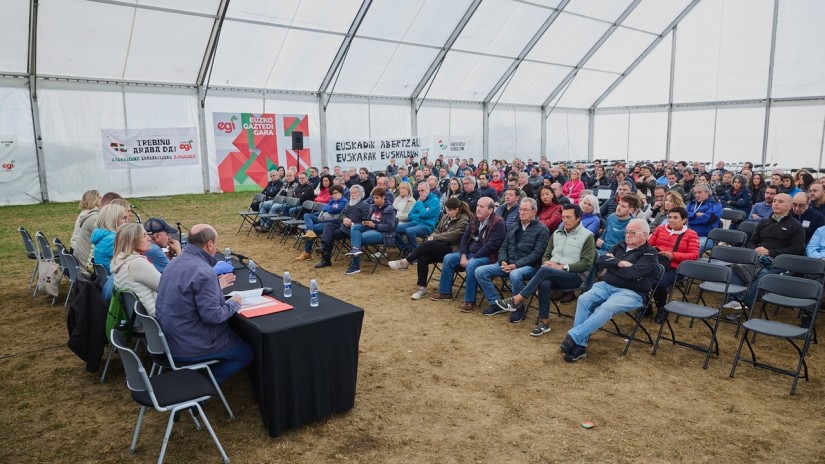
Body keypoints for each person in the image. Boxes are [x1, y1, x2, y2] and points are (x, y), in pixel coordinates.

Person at [155, 224, 253, 385]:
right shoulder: (203, 271)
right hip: (189, 345)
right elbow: (213, 316)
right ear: (210, 244)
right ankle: (202, 386)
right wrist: (234, 303)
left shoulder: (174, 262)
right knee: (245, 352)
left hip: (169, 338)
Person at [560, 219, 659, 362]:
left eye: (632, 232)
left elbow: (632, 274)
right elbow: (600, 262)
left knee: (606, 307)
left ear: (645, 235)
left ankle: (574, 336)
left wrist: (612, 267)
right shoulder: (620, 246)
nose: (628, 235)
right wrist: (619, 263)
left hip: (632, 292)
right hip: (606, 286)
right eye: (627, 232)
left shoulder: (650, 255)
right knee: (584, 299)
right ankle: (580, 346)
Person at [495, 204, 596, 333]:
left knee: (544, 271)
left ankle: (518, 298)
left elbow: (587, 264)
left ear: (578, 218)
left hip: (574, 275)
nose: (565, 220)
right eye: (563, 217)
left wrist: (561, 267)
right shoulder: (557, 233)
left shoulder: (588, 236)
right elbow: (546, 254)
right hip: (551, 272)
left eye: (569, 217)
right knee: (544, 282)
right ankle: (544, 322)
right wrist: (546, 263)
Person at [723, 194, 806, 321]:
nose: (775, 203)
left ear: (789, 206)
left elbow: (796, 249)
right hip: (757, 257)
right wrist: (753, 251)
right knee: (735, 269)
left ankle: (737, 306)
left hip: (778, 262)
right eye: (774, 201)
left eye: (780, 201)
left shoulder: (796, 226)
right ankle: (736, 304)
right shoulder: (765, 222)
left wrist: (770, 252)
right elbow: (752, 241)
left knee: (764, 276)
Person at [477, 198, 550, 319]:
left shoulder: (542, 229)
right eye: (520, 209)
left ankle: (518, 306)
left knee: (515, 275)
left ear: (534, 212)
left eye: (525, 210)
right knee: (480, 271)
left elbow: (537, 254)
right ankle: (496, 304)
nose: (521, 212)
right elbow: (503, 247)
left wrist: (516, 265)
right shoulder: (514, 226)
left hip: (529, 267)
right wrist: (503, 261)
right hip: (508, 263)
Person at [430, 197, 507, 312]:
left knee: (472, 265)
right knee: (448, 258)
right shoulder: (475, 218)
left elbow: (490, 246)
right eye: (477, 206)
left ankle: (470, 301)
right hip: (470, 253)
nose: (478, 209)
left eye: (482, 207)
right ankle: (445, 293)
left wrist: (472, 259)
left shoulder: (498, 222)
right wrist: (463, 255)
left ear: (490, 210)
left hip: (488, 257)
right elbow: (465, 238)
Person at [389, 198, 471, 300]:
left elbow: (454, 236)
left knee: (428, 244)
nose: (448, 212)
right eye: (446, 210)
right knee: (423, 257)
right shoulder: (445, 217)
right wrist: (433, 236)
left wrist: (435, 238)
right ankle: (422, 289)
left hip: (453, 249)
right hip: (440, 246)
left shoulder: (464, 220)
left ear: (457, 209)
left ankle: (406, 261)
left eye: (450, 210)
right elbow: (436, 230)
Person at [648, 207, 700, 323]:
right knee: (639, 277)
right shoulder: (660, 229)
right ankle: (646, 306)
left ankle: (662, 308)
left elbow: (694, 255)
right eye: (670, 217)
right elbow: (647, 245)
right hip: (656, 263)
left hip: (676, 267)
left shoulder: (691, 234)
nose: (671, 220)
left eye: (675, 218)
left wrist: (673, 255)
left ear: (684, 220)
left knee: (659, 283)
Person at [314, 185, 370, 269]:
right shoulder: (349, 203)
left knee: (330, 235)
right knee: (328, 225)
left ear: (361, 194)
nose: (353, 195)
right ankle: (324, 249)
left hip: (355, 230)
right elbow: (341, 215)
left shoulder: (365, 205)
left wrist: (353, 224)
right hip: (343, 227)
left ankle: (325, 255)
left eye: (355, 193)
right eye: (351, 193)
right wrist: (344, 219)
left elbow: (366, 221)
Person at [111, 223, 161, 315]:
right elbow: (166, 286)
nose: (149, 239)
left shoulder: (120, 261)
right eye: (144, 236)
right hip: (155, 316)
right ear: (132, 241)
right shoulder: (136, 264)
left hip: (140, 319)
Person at [344, 188, 396, 275]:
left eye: (377, 198)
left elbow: (390, 227)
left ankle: (355, 266)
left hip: (383, 233)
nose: (375, 200)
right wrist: (365, 222)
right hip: (370, 228)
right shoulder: (373, 207)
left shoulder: (390, 209)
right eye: (374, 198)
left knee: (357, 238)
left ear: (383, 197)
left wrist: (375, 225)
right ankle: (355, 250)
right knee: (355, 227)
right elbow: (368, 219)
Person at [296, 185, 347, 261]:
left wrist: (329, 208)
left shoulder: (344, 201)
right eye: (332, 194)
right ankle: (310, 232)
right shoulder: (333, 200)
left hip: (331, 223)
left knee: (311, 229)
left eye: (336, 193)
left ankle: (307, 252)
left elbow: (334, 210)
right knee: (307, 215)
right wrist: (330, 208)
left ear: (341, 193)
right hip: (323, 218)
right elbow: (325, 207)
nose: (334, 195)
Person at [395, 183, 441, 255]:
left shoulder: (434, 201)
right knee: (394, 228)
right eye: (419, 191)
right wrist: (420, 215)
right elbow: (410, 215)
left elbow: (424, 215)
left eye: (422, 190)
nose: (420, 193)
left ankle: (416, 255)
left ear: (428, 190)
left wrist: (420, 203)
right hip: (415, 223)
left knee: (409, 231)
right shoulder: (420, 200)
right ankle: (406, 250)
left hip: (427, 226)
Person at [91, 203, 129, 272]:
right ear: (114, 221)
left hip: (107, 277)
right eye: (124, 218)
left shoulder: (103, 235)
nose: (127, 221)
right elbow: (129, 259)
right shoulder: (113, 239)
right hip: (114, 278)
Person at [686, 184, 722, 251]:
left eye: (700, 192)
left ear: (707, 193)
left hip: (706, 237)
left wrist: (690, 218)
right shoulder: (691, 204)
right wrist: (695, 215)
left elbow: (708, 219)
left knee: (693, 249)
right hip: (688, 235)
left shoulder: (715, 205)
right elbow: (683, 217)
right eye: (695, 193)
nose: (697, 195)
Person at [70, 189, 101, 267]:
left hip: (75, 248)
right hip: (81, 252)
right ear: (94, 200)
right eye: (100, 198)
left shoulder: (85, 212)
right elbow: (100, 235)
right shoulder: (92, 216)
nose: (102, 200)